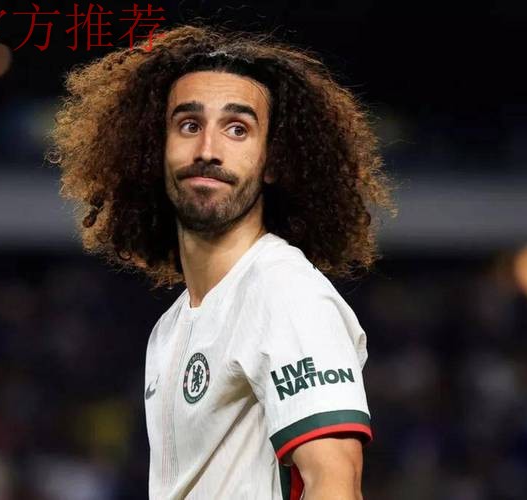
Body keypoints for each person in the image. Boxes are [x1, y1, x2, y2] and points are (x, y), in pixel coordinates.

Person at [50, 24, 397, 500]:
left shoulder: (285, 291)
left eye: (237, 129)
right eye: (189, 125)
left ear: (272, 162)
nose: (208, 151)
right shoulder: (170, 327)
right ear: (155, 151)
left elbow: (334, 483)